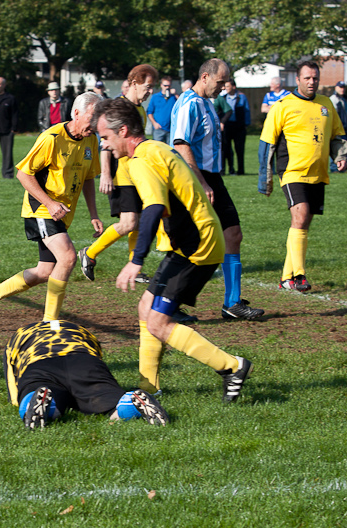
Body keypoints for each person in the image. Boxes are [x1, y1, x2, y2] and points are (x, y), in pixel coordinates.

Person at [93, 97, 253, 402]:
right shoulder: (150, 150)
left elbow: (154, 208)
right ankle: (148, 388)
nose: (104, 144)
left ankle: (232, 367)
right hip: (190, 241)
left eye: (106, 137)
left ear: (123, 131)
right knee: (146, 307)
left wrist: (136, 260)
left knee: (158, 322)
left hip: (199, 245)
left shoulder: (142, 159)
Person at [0, 92, 103, 326]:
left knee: (45, 270)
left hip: (62, 213)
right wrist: (50, 203)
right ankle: (49, 323)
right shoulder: (52, 138)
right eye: (92, 117)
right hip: (41, 209)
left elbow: (88, 178)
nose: (96, 123)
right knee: (68, 257)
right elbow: (23, 174)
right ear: (76, 113)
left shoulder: (91, 140)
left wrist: (93, 214)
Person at [169, 59, 263, 321]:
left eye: (226, 82)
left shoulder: (207, 102)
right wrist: (201, 181)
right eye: (220, 81)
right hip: (193, 178)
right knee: (191, 243)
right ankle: (168, 303)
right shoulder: (189, 104)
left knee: (232, 233)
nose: (223, 86)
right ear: (205, 77)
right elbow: (180, 143)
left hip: (211, 178)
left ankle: (232, 303)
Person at [257, 61, 347, 292]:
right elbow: (266, 144)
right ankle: (299, 276)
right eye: (307, 78)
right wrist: (265, 180)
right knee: (300, 216)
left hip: (318, 173)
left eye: (315, 78)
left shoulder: (326, 104)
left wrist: (341, 156)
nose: (311, 82)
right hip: (292, 171)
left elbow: (337, 135)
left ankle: (286, 277)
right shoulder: (282, 106)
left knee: (304, 222)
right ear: (297, 80)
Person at [6, 320, 168, 429]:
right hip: (83, 360)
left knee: (45, 396)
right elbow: (96, 355)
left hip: (40, 363)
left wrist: (17, 399)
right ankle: (130, 401)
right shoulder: (81, 331)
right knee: (108, 402)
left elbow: (12, 381)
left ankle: (38, 403)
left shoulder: (19, 335)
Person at [80, 66, 155, 281]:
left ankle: (135, 267)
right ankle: (89, 253)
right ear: (134, 84)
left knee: (137, 221)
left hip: (136, 173)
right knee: (128, 223)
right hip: (121, 175)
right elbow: (105, 142)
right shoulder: (119, 107)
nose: (150, 91)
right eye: (148, 86)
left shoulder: (139, 109)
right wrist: (105, 173)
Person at [219, 79, 251, 175]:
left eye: (228, 86)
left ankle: (241, 170)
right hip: (227, 126)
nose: (226, 88)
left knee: (239, 149)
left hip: (239, 126)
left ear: (233, 87)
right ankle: (229, 169)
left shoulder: (241, 97)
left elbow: (247, 111)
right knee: (226, 148)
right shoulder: (223, 98)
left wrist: (246, 124)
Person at [0, 76, 18, 179]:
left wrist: (13, 128)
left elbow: (15, 114)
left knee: (7, 154)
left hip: (7, 130)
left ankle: (8, 174)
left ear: (4, 85)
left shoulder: (10, 98)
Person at [329, 82, 347, 173]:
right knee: (337, 148)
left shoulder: (344, 99)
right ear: (336, 88)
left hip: (345, 128)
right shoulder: (333, 99)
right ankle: (335, 168)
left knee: (345, 148)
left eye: (343, 87)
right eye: (340, 87)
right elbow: (332, 115)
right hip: (338, 129)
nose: (342, 89)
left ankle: (344, 167)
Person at [146, 76, 178, 143]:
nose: (167, 87)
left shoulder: (174, 97)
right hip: (159, 128)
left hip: (171, 129)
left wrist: (175, 94)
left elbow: (181, 105)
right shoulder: (155, 97)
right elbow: (149, 112)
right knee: (157, 147)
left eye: (169, 86)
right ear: (161, 85)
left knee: (170, 148)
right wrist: (154, 123)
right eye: (165, 85)